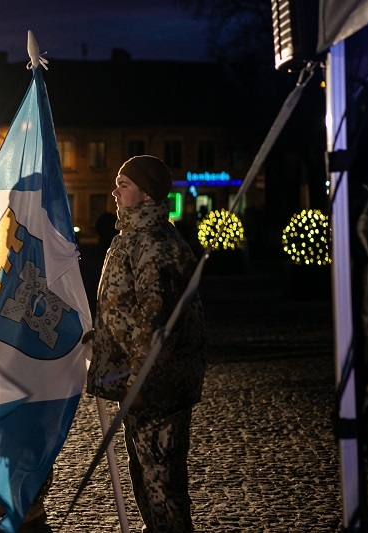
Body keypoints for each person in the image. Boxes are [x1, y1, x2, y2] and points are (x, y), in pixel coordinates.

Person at [87, 155, 207, 532]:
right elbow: (126, 306)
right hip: (140, 384)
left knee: (163, 484)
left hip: (158, 386)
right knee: (146, 478)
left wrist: (141, 377)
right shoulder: (133, 238)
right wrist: (101, 334)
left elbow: (158, 322)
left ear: (146, 193)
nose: (115, 192)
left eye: (123, 185)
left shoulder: (157, 243)